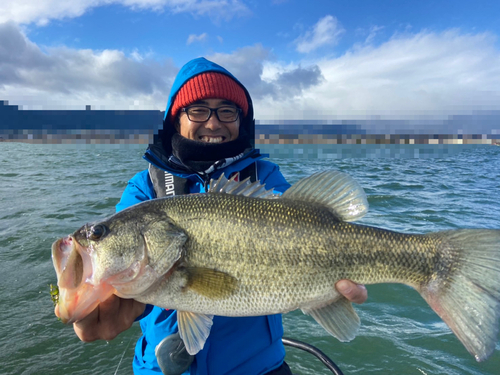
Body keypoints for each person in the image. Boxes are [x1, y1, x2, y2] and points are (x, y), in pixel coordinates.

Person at [57, 57, 368, 374]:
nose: (214, 122)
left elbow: (297, 222)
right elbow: (133, 275)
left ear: (241, 121)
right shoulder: (144, 189)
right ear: (176, 118)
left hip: (260, 368)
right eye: (199, 110)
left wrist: (328, 290)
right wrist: (106, 302)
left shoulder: (264, 176)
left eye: (227, 111)